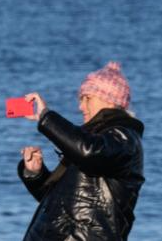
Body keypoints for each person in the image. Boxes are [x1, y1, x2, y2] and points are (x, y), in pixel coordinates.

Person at [18, 61, 144, 240]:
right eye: (80, 99)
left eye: (87, 98)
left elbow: (89, 152)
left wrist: (46, 117)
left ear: (110, 100)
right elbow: (62, 206)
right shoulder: (92, 140)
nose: (81, 106)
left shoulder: (124, 137)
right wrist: (35, 173)